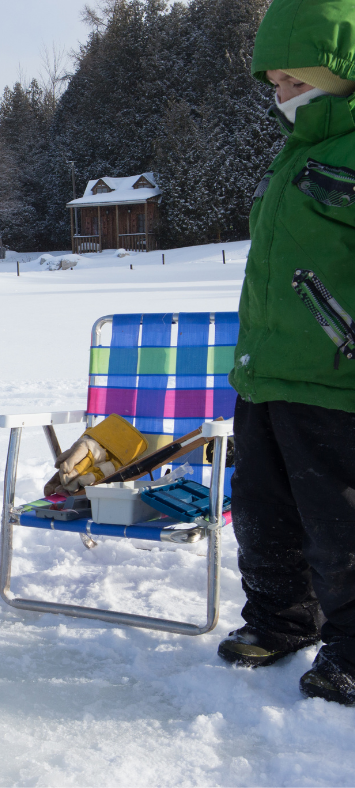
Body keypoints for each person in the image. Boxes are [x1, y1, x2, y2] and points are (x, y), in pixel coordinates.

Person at [219, 0, 355, 705]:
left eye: (295, 84)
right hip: (265, 373)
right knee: (262, 510)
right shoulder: (293, 155)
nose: (281, 98)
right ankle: (279, 619)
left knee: (340, 520)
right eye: (274, 84)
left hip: (334, 381)